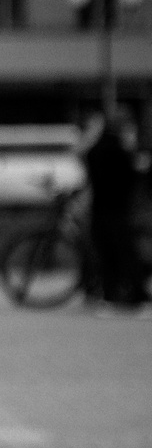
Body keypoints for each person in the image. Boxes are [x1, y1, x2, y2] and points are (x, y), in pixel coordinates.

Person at [80, 110, 145, 312]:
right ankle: (130, 295)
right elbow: (128, 178)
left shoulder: (99, 149)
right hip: (115, 209)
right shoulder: (117, 150)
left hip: (103, 208)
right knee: (121, 252)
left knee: (109, 252)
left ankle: (114, 295)